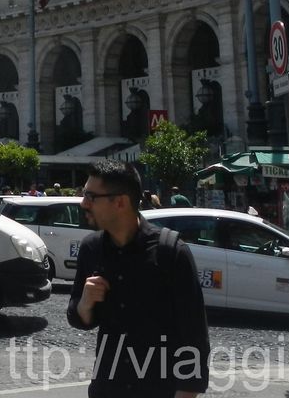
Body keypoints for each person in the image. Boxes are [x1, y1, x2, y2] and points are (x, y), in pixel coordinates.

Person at [69, 160, 209, 398]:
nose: (83, 203)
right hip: (107, 388)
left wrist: (187, 393)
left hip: (158, 390)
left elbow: (194, 334)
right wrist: (85, 304)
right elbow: (78, 317)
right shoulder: (91, 248)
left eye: (91, 196)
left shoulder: (170, 251)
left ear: (120, 202)